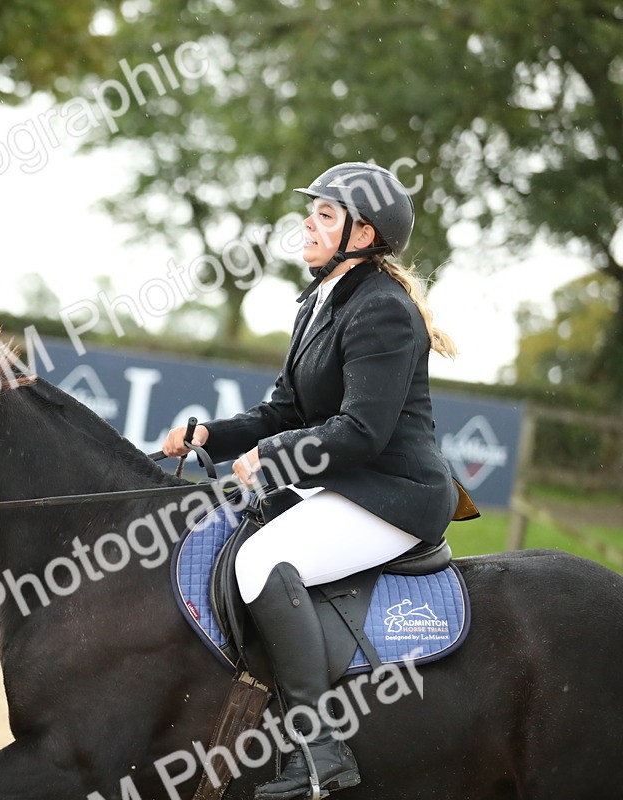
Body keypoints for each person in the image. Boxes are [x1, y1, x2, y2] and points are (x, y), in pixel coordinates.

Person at [162, 162, 460, 800]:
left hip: (393, 494)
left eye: (327, 214)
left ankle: (320, 749)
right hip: (346, 485)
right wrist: (210, 435)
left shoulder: (382, 308)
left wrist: (274, 456)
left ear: (362, 234)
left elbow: (361, 432)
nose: (309, 221)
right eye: (314, 210)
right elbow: (285, 412)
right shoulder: (322, 300)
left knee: (262, 561)